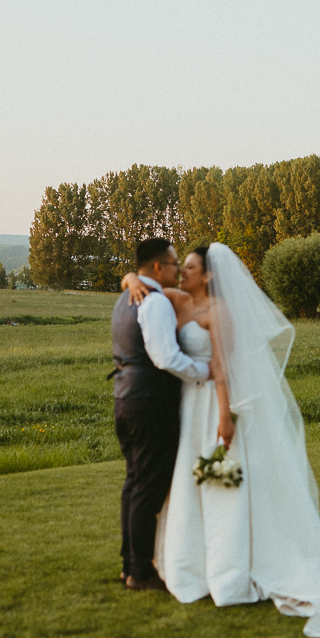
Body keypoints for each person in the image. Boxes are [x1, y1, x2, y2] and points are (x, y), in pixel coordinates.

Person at [122, 241, 320, 638]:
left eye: (189, 267)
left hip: (212, 404)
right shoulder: (174, 298)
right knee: (190, 485)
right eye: (179, 266)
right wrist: (131, 276)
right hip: (189, 408)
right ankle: (192, 567)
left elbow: (222, 369)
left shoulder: (218, 311)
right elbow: (143, 280)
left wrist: (225, 415)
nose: (182, 272)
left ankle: (229, 570)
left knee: (222, 485)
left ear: (208, 275)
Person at [111, 238, 212, 591]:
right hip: (149, 403)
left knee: (135, 485)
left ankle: (129, 565)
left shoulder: (127, 297)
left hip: (126, 398)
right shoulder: (154, 303)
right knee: (148, 490)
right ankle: (140, 571)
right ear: (156, 268)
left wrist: (129, 277)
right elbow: (165, 358)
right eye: (172, 264)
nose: (177, 269)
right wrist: (204, 371)